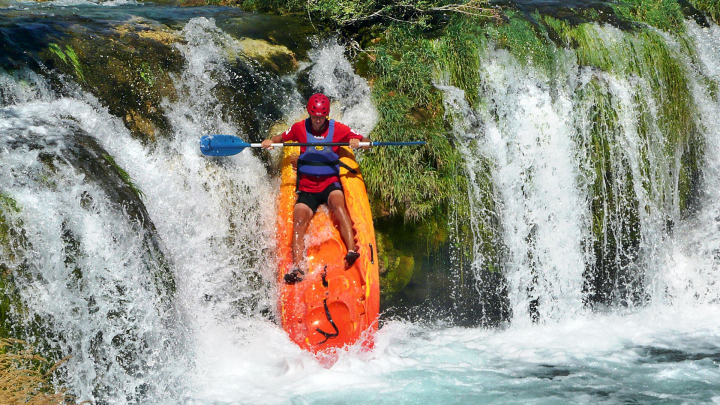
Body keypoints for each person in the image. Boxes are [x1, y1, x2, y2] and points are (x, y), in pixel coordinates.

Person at [262, 93, 371, 284]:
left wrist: (359, 142)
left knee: (339, 205)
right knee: (299, 219)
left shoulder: (338, 129)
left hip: (330, 183)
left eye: (321, 117)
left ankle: (351, 250)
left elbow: (367, 142)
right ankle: (298, 268)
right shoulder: (299, 128)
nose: (318, 120)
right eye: (314, 116)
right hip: (307, 187)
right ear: (310, 114)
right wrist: (270, 141)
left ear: (326, 115)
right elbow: (281, 137)